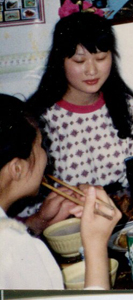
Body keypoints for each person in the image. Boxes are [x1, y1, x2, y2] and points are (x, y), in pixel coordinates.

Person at [27, 7, 133, 190]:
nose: (92, 71)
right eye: (79, 61)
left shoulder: (127, 106)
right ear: (59, 61)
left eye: (100, 58)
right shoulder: (42, 119)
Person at [0, 94, 122, 289]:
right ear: (17, 169)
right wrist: (96, 244)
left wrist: (38, 222)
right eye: (41, 145)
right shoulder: (14, 247)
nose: (46, 156)